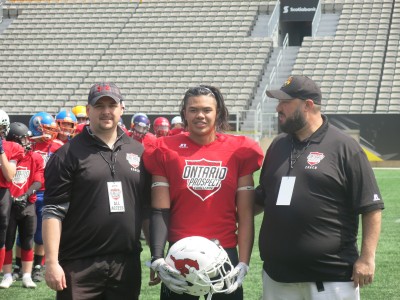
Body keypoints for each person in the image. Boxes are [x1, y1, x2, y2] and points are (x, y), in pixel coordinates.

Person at [255, 75, 384, 300]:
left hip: (331, 277)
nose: (278, 108)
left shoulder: (344, 147)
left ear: (308, 105)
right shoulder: (277, 145)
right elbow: (263, 197)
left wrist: (367, 258)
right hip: (278, 276)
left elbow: (370, 206)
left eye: (285, 102)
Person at [143, 85, 264, 300]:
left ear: (218, 113)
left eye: (207, 110)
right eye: (193, 110)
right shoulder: (164, 149)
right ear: (184, 114)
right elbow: (160, 211)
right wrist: (158, 256)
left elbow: (245, 215)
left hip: (224, 253)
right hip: (180, 253)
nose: (200, 115)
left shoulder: (240, 150)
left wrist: (244, 261)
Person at [42, 82, 150, 299]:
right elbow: (53, 211)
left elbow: (146, 208)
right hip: (79, 263)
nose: (106, 111)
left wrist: (157, 255)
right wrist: (52, 262)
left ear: (122, 109)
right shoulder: (67, 155)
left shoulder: (139, 151)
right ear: (88, 110)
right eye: (99, 106)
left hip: (126, 262)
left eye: (112, 105)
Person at [1, 122, 44, 289]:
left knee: (28, 240)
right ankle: (7, 275)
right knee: (7, 240)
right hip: (9, 205)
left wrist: (26, 195)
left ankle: (26, 275)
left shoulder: (35, 157)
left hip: (27, 204)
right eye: (23, 138)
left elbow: (38, 181)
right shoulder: (6, 158)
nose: (27, 141)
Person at [0, 110, 24, 285]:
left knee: (2, 235)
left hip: (2, 193)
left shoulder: (12, 147)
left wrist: (1, 151)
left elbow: (9, 175)